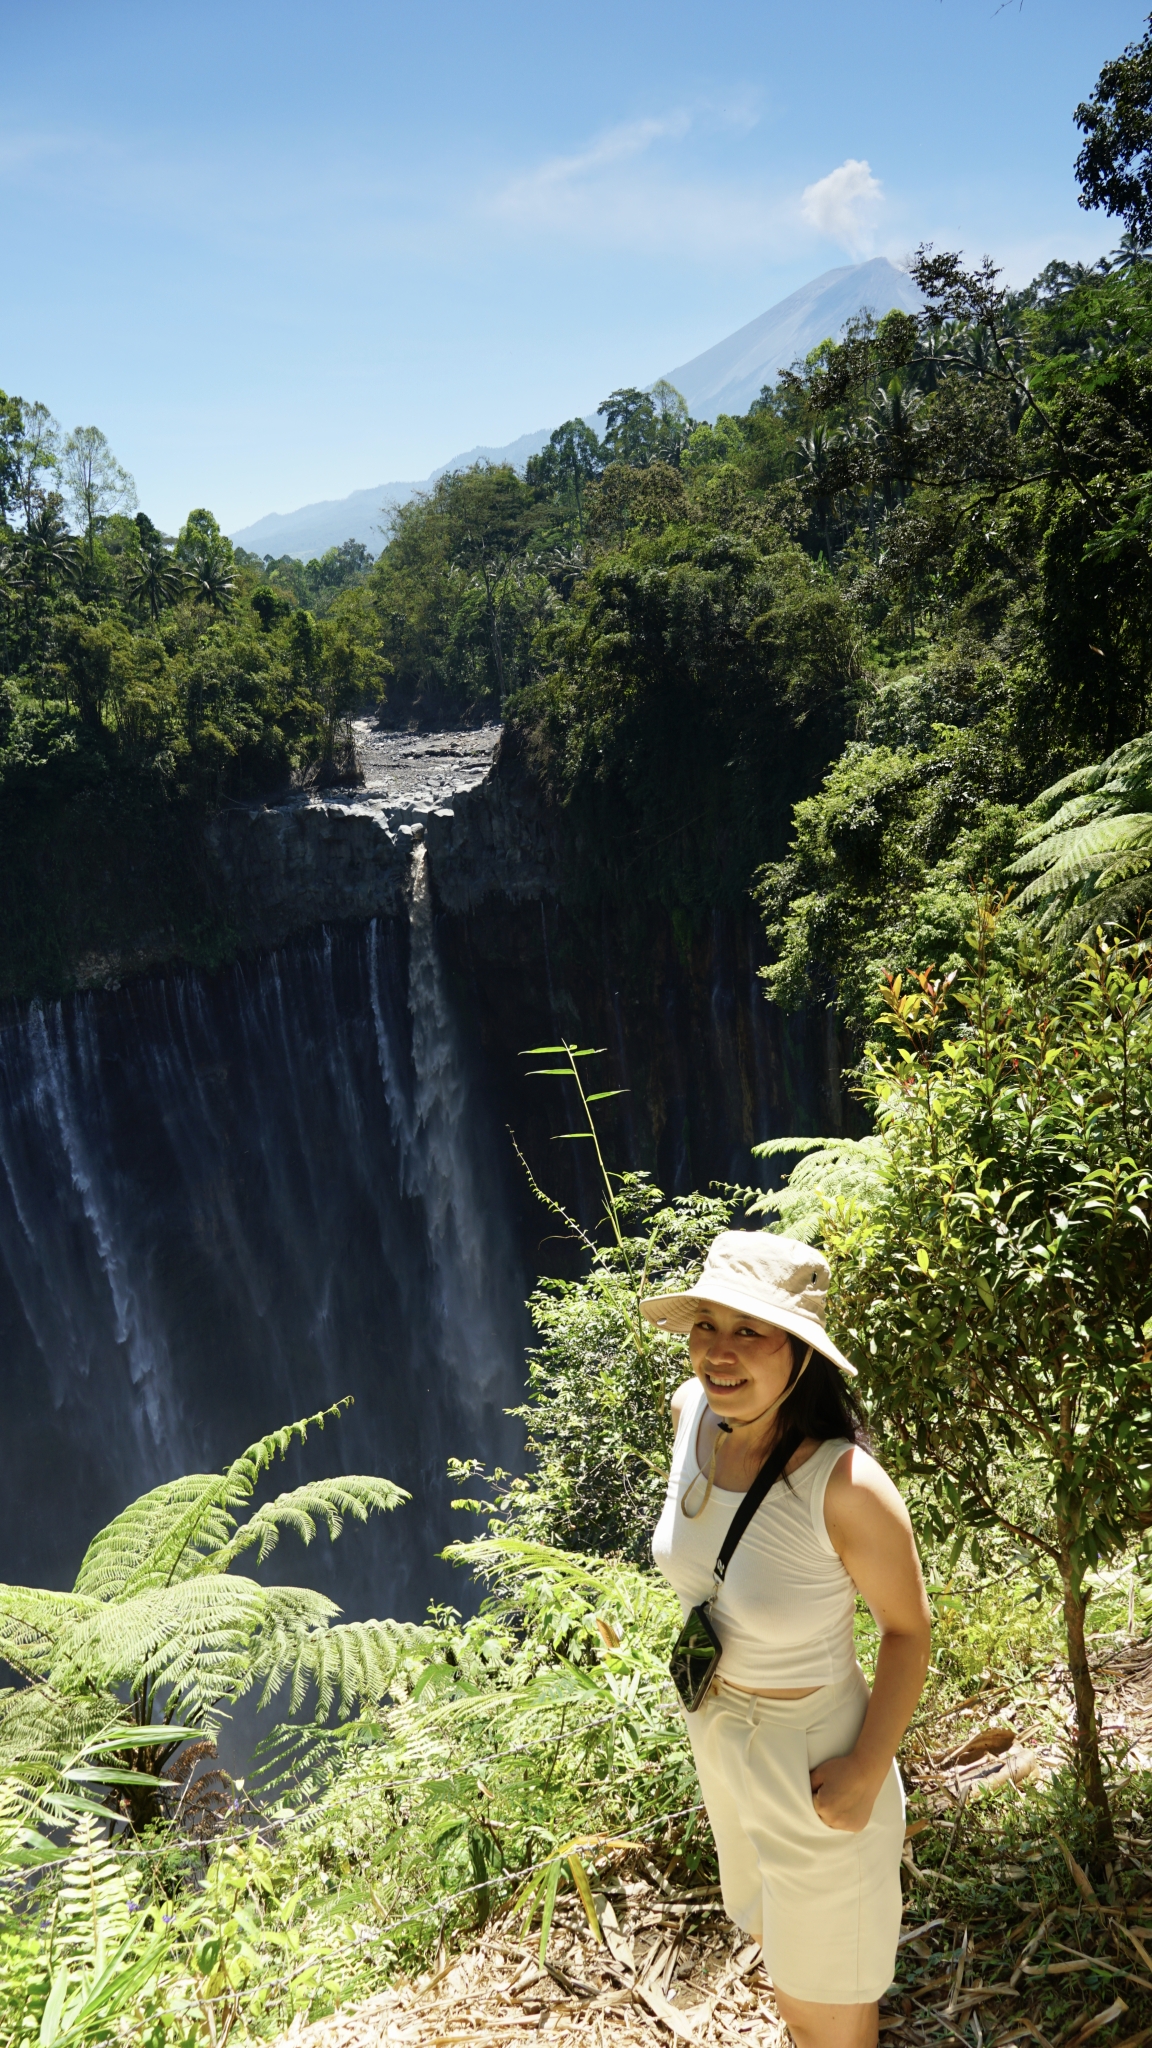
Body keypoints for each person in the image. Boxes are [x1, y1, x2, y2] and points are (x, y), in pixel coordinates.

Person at [646, 1231, 930, 2048]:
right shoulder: (692, 1413)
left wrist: (866, 1772)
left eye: (750, 1331)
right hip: (720, 1734)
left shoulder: (843, 1487)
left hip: (815, 1757)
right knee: (781, 1948)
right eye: (706, 1325)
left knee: (828, 2013)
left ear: (801, 1352)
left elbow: (909, 1631)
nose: (718, 1352)